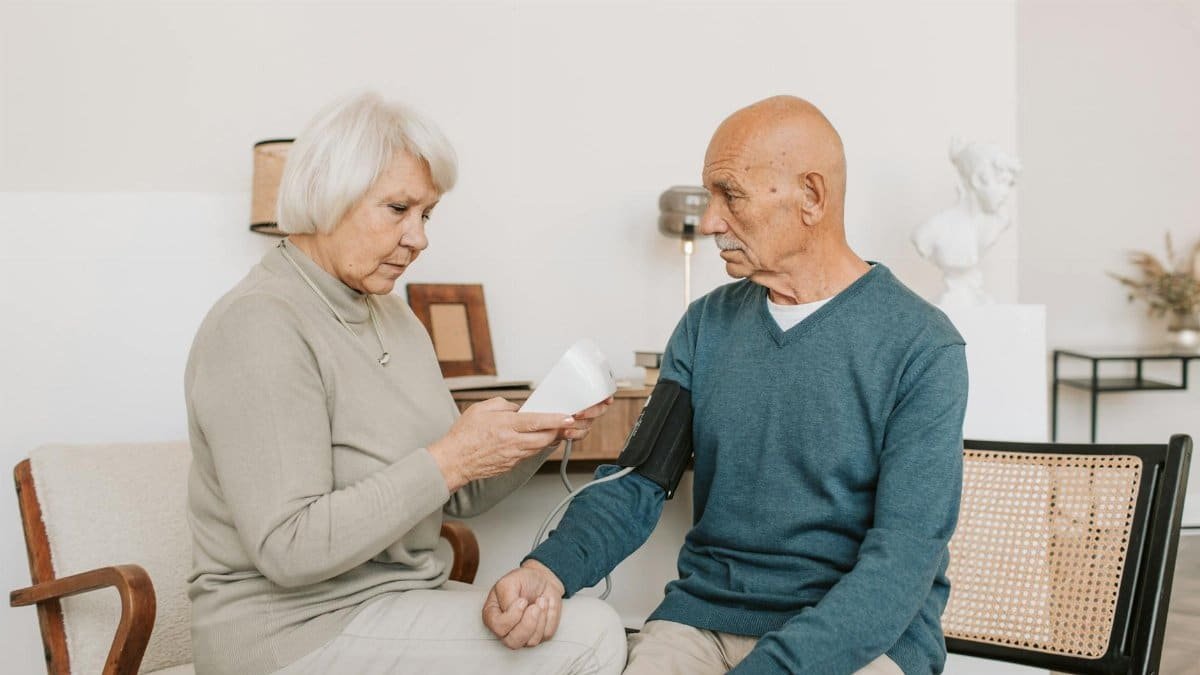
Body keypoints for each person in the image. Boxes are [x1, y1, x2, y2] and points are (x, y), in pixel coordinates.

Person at [483, 96, 969, 674]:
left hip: (858, 642)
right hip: (705, 622)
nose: (711, 220)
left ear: (811, 196)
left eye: (730, 195)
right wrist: (549, 569)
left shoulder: (923, 345)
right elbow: (637, 482)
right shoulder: (705, 326)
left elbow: (901, 562)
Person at [185, 91, 625, 675]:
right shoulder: (260, 323)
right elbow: (288, 548)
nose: (419, 238)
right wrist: (452, 457)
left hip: (396, 601)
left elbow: (459, 494)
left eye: (427, 214)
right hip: (289, 632)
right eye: (398, 209)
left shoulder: (392, 315)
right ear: (328, 194)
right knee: (593, 635)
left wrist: (539, 430)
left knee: (569, 616)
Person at [911, 138, 1022, 307]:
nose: (1006, 192)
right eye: (1001, 182)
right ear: (978, 180)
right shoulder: (931, 230)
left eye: (1009, 184)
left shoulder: (999, 222)